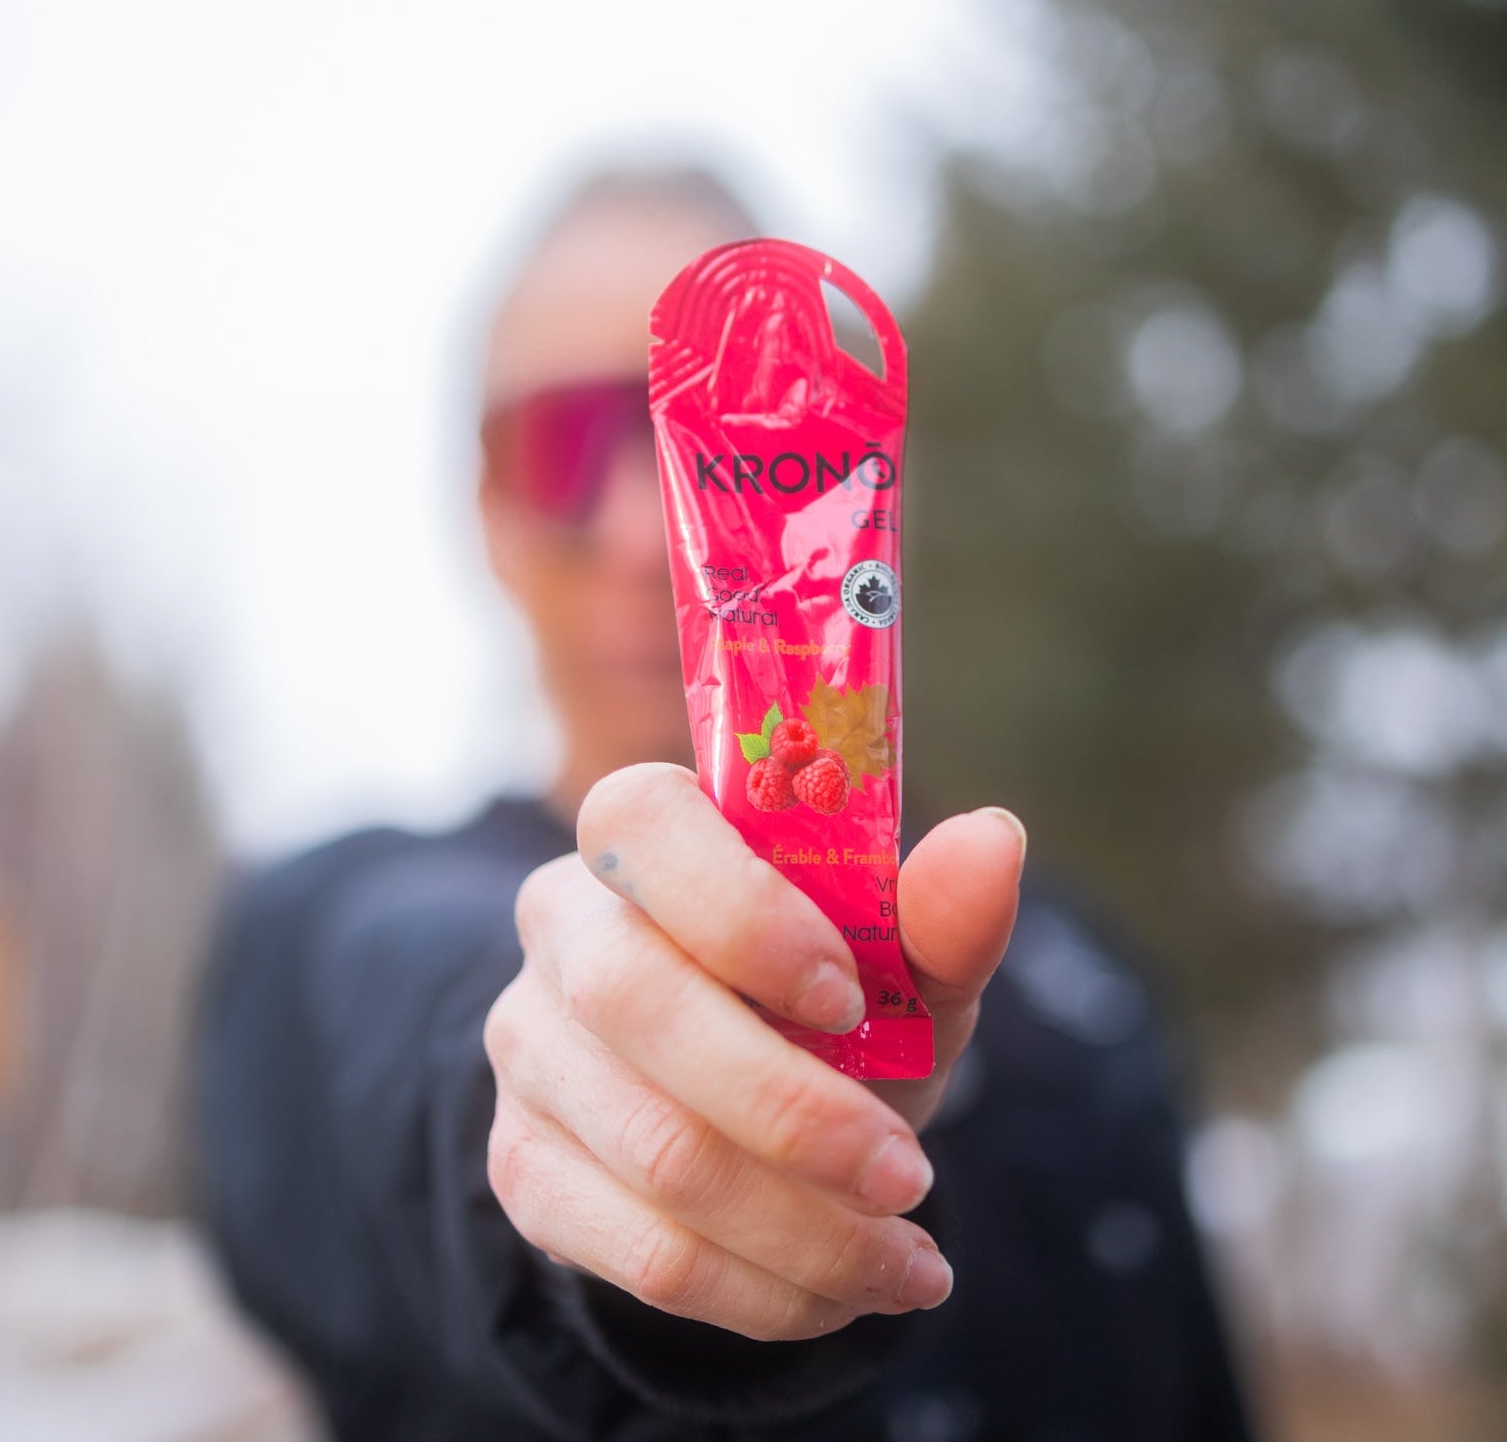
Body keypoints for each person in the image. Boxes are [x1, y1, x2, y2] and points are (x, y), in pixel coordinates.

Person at [195, 164, 1255, 1442]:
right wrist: (580, 1122)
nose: (654, 531)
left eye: (726, 444)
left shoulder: (1065, 967)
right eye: (569, 445)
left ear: (842, 480)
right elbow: (412, 1025)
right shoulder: (323, 924)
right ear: (489, 510)